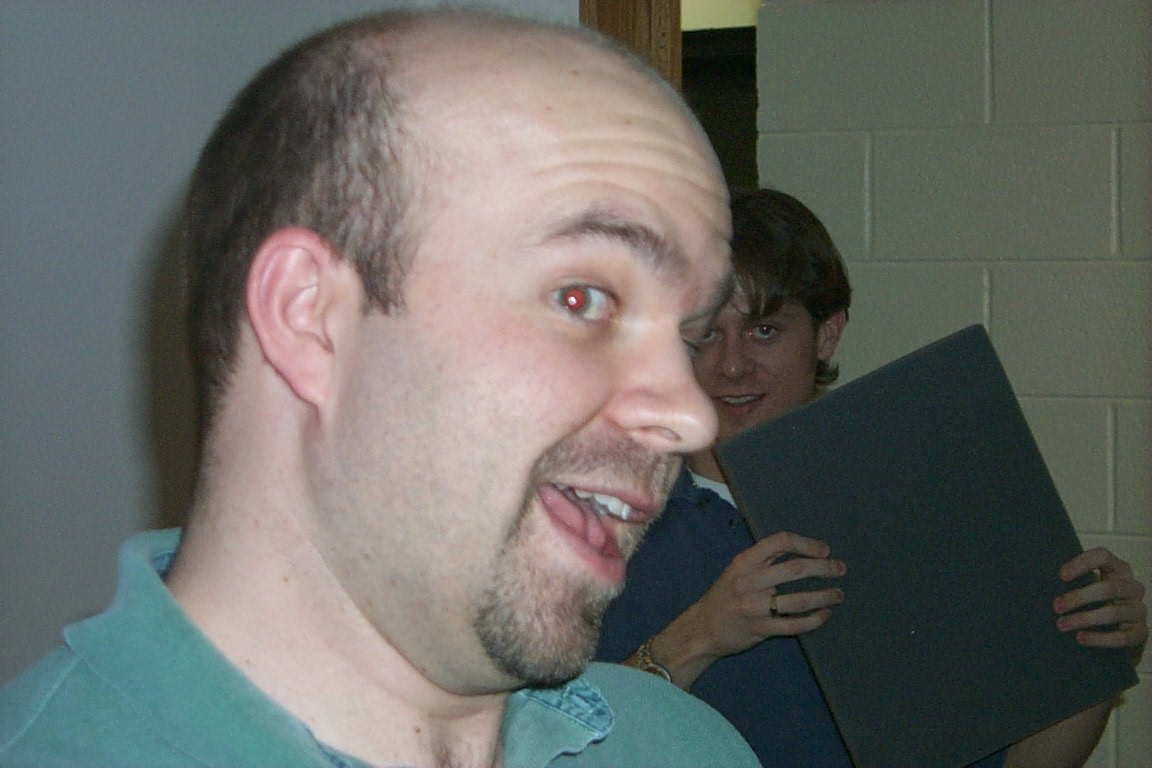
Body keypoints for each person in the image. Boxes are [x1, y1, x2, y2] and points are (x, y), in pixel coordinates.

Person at [0, 10, 762, 768]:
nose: (690, 415)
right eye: (582, 299)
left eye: (687, 335)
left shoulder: (688, 746)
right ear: (310, 317)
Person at [596, 188, 1149, 768]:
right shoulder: (602, 523)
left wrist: (1101, 658)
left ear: (826, 335)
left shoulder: (907, 504)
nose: (731, 364)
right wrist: (702, 634)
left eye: (764, 331)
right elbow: (555, 746)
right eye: (705, 333)